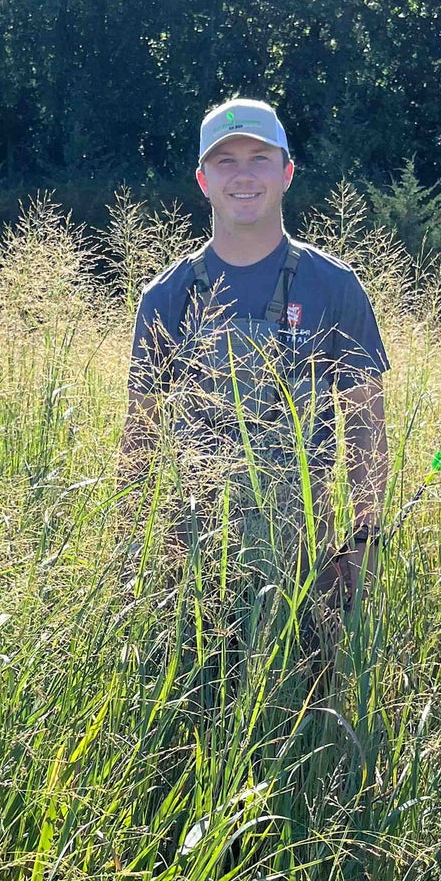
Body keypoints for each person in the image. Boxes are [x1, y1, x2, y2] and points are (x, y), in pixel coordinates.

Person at [123, 97, 389, 603]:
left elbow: (365, 428)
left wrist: (362, 546)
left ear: (287, 172)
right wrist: (133, 558)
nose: (243, 176)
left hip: (308, 564)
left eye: (259, 159)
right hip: (191, 568)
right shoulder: (166, 295)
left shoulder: (335, 287)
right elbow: (141, 439)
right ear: (203, 181)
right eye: (225, 161)